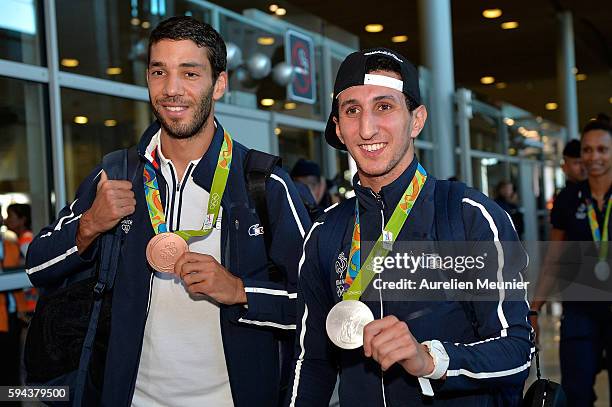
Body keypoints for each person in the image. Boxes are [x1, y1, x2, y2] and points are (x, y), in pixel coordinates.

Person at [26, 17, 310, 406]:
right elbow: (37, 265)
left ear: (219, 84)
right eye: (160, 72)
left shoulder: (263, 185)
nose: (171, 89)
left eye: (190, 73)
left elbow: (318, 305)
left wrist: (240, 291)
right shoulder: (117, 174)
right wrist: (90, 224)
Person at [287, 48, 532, 406]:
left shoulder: (469, 217)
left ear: (416, 120)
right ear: (338, 128)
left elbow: (516, 350)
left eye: (384, 107)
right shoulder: (325, 232)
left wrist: (432, 360)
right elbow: (312, 362)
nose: (367, 128)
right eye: (352, 110)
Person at [530, 114, 612, 406]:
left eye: (602, 149)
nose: (594, 157)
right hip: (580, 309)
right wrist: (535, 309)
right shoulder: (569, 198)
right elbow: (554, 259)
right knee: (576, 394)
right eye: (588, 150)